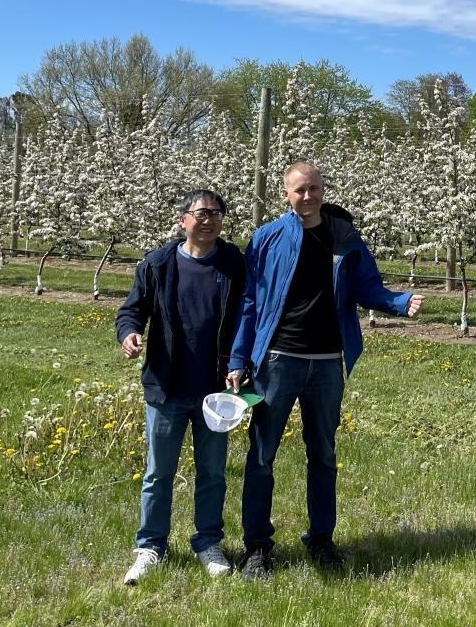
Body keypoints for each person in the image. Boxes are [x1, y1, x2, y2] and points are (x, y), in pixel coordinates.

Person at [226, 161, 423, 580]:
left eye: (314, 188)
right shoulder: (266, 238)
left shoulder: (343, 237)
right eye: (299, 190)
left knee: (324, 455)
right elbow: (249, 302)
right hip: (277, 361)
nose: (308, 196)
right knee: (262, 455)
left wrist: (399, 302)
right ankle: (257, 547)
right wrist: (239, 359)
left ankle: (321, 540)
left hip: (327, 364)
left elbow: (366, 286)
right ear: (285, 194)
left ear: (323, 189)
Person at [116, 190, 246, 585]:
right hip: (167, 387)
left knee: (212, 472)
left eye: (216, 213)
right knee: (159, 472)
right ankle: (150, 546)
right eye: (201, 213)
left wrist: (240, 365)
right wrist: (130, 333)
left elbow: (247, 314)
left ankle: (208, 543)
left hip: (215, 393)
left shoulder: (233, 264)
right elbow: (131, 309)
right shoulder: (158, 265)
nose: (209, 220)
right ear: (182, 220)